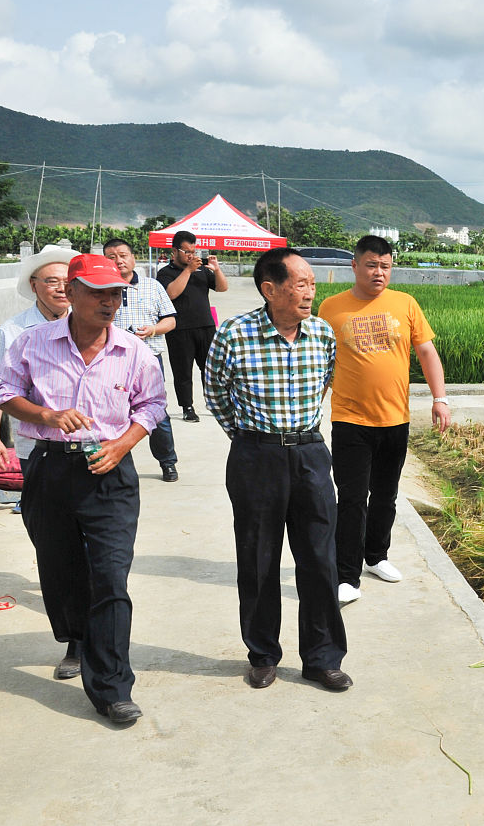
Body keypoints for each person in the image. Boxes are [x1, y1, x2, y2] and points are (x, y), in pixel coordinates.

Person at [0, 254, 166, 725]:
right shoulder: (32, 342)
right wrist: (45, 416)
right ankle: (79, 639)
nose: (110, 302)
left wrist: (122, 445)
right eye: (98, 292)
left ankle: (112, 687)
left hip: (110, 473)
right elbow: (4, 393)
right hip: (51, 469)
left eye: (116, 293)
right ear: (70, 292)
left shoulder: (135, 352)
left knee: (110, 577)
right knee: (62, 572)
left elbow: (151, 406)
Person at [203, 247, 351, 692]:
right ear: (270, 289)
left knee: (320, 560)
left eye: (311, 283)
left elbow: (326, 381)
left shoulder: (322, 334)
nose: (311, 291)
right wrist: (251, 441)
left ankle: (322, 658)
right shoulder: (234, 333)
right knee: (258, 558)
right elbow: (216, 395)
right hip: (256, 457)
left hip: (309, 454)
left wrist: (296, 437)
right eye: (301, 283)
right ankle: (263, 654)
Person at [318, 234, 450, 605]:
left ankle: (376, 556)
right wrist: (312, 408)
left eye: (386, 266)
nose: (379, 273)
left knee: (386, 496)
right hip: (350, 420)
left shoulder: (405, 303)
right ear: (355, 265)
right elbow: (323, 363)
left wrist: (439, 399)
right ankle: (346, 575)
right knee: (352, 498)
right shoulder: (331, 307)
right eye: (372, 265)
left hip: (395, 419)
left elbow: (426, 351)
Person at [0, 244, 77, 514]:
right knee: (46, 520)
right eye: (52, 281)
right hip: (35, 446)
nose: (61, 288)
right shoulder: (12, 331)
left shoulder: (89, 326)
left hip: (86, 442)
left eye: (68, 282)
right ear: (34, 285)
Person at [105, 238, 179, 482]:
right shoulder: (100, 288)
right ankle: (111, 462)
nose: (118, 260)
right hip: (110, 359)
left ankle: (168, 462)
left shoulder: (152, 286)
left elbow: (171, 320)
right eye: (112, 256)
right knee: (109, 411)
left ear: (133, 257)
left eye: (123, 255)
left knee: (157, 412)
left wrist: (153, 330)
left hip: (148, 359)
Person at [156, 230, 227, 422]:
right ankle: (187, 407)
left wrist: (216, 269)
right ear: (175, 251)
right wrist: (187, 270)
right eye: (187, 252)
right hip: (179, 329)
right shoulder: (165, 273)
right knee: (182, 370)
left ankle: (213, 402)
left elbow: (222, 288)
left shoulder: (202, 270)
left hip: (205, 326)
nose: (191, 255)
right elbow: (171, 294)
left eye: (194, 251)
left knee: (210, 368)